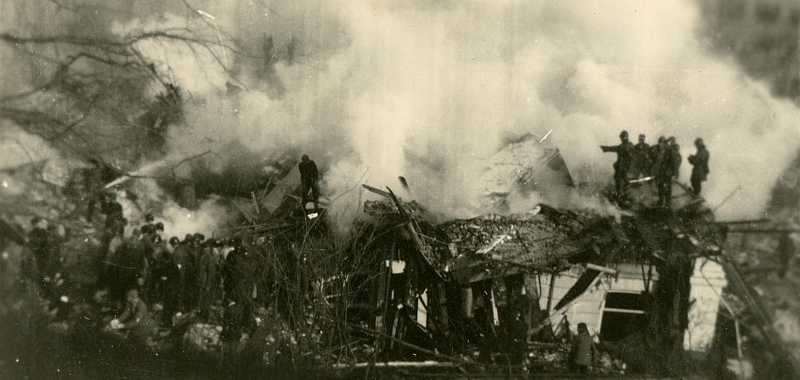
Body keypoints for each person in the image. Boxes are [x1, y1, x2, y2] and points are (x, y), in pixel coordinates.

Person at [600, 131, 635, 197]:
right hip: (627, 165)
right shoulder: (630, 144)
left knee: (617, 177)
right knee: (621, 176)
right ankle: (624, 189)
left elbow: (616, 148)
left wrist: (606, 149)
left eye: (621, 137)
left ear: (623, 137)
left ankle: (619, 193)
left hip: (623, 165)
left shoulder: (624, 146)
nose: (620, 138)